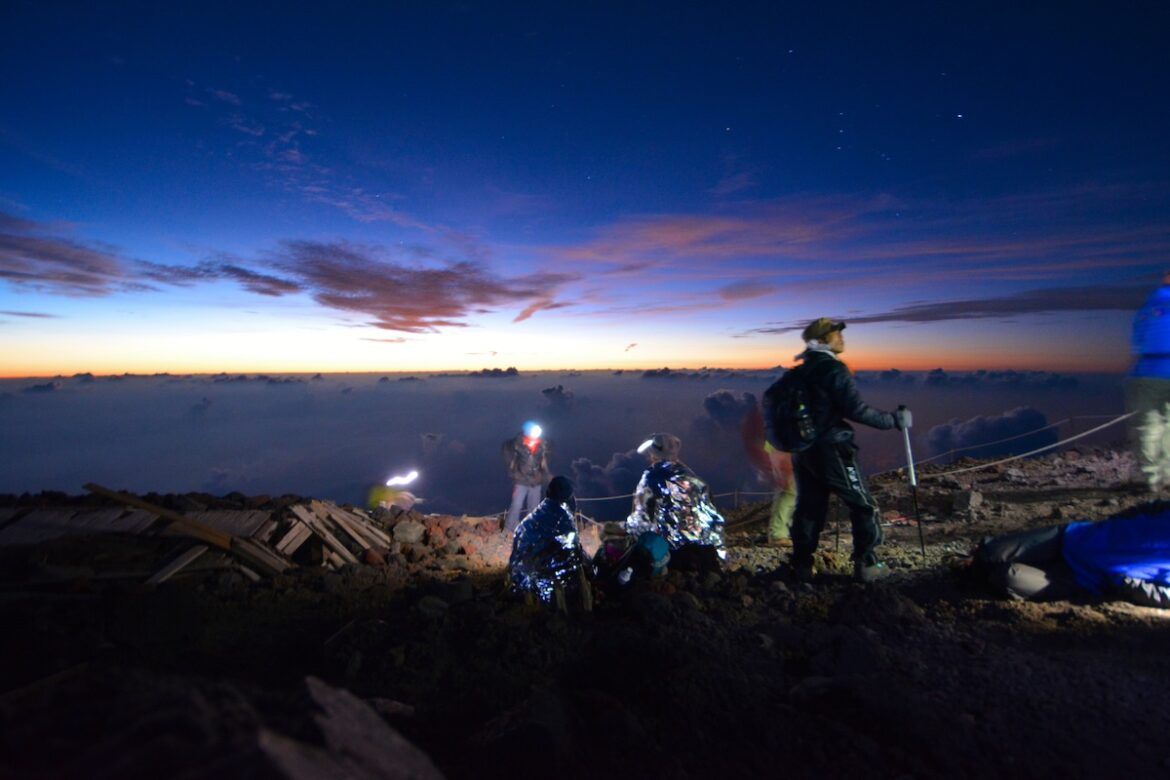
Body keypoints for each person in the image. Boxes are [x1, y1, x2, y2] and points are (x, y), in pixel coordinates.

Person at [787, 317, 909, 583]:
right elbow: (855, 410)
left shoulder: (800, 371)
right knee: (863, 505)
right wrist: (893, 421)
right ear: (820, 341)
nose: (841, 337)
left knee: (809, 508)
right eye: (835, 334)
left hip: (804, 449)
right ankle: (867, 564)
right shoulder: (833, 370)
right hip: (833, 448)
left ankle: (801, 566)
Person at [970, 506, 1170, 608]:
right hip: (1071, 537)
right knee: (991, 552)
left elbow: (1160, 596)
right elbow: (1145, 509)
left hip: (1082, 578)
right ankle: (971, 564)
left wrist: (1126, 583)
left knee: (1006, 577)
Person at [625, 433, 726, 570]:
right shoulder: (695, 480)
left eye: (649, 454)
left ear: (654, 454)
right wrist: (720, 553)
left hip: (670, 554)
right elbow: (713, 517)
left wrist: (627, 529)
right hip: (703, 552)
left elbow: (641, 517)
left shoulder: (651, 477)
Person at [507, 475, 591, 608]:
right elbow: (573, 549)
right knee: (576, 560)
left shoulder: (536, 515)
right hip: (542, 575)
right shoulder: (562, 517)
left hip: (520, 576)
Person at [1128, 273, 1170, 491]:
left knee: (1149, 426)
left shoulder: (1147, 309)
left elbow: (1137, 340)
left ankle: (1152, 479)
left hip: (1148, 371)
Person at [742, 405, 796, 545]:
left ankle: (781, 532)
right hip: (772, 449)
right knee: (789, 491)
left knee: (790, 490)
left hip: (773, 448)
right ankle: (778, 534)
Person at [502, 421, 551, 533]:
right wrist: (513, 474)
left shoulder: (542, 446)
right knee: (516, 505)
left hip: (536, 481)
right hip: (521, 480)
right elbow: (512, 461)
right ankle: (508, 530)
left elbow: (543, 463)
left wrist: (547, 476)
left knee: (533, 508)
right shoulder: (518, 445)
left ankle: (531, 530)